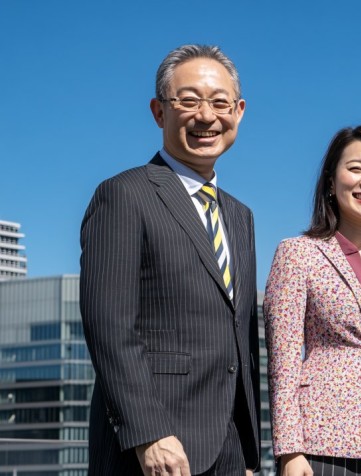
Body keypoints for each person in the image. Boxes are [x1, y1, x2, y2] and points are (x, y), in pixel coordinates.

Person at [80, 44, 260, 475]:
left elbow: (242, 337)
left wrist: (250, 452)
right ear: (159, 112)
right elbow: (109, 327)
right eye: (189, 100)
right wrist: (148, 433)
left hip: (229, 450)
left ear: (238, 112)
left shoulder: (240, 215)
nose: (206, 116)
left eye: (220, 103)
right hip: (153, 450)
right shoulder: (124, 194)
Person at [264, 125, 361, 476]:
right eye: (356, 168)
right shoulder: (298, 253)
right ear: (331, 182)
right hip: (323, 444)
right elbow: (283, 361)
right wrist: (290, 450)